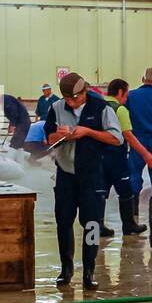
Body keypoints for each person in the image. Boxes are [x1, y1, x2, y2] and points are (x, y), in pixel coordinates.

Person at [44, 72, 125, 289]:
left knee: (91, 225)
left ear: (85, 92)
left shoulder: (101, 108)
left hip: (92, 175)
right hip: (66, 175)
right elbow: (48, 138)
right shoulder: (57, 108)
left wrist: (87, 132)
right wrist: (60, 135)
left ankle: (89, 271)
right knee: (63, 222)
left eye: (74, 98)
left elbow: (117, 138)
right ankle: (66, 268)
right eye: (67, 99)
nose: (69, 103)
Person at [102, 78, 151, 237]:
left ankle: (97, 229)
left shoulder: (97, 107)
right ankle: (129, 226)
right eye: (126, 94)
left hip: (97, 157)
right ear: (121, 92)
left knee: (99, 192)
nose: (126, 98)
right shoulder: (120, 110)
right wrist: (145, 153)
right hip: (116, 157)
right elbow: (128, 136)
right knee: (125, 191)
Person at [126, 66, 152, 207]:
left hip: (136, 138)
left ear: (143, 79)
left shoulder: (130, 96)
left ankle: (133, 209)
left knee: (134, 173)